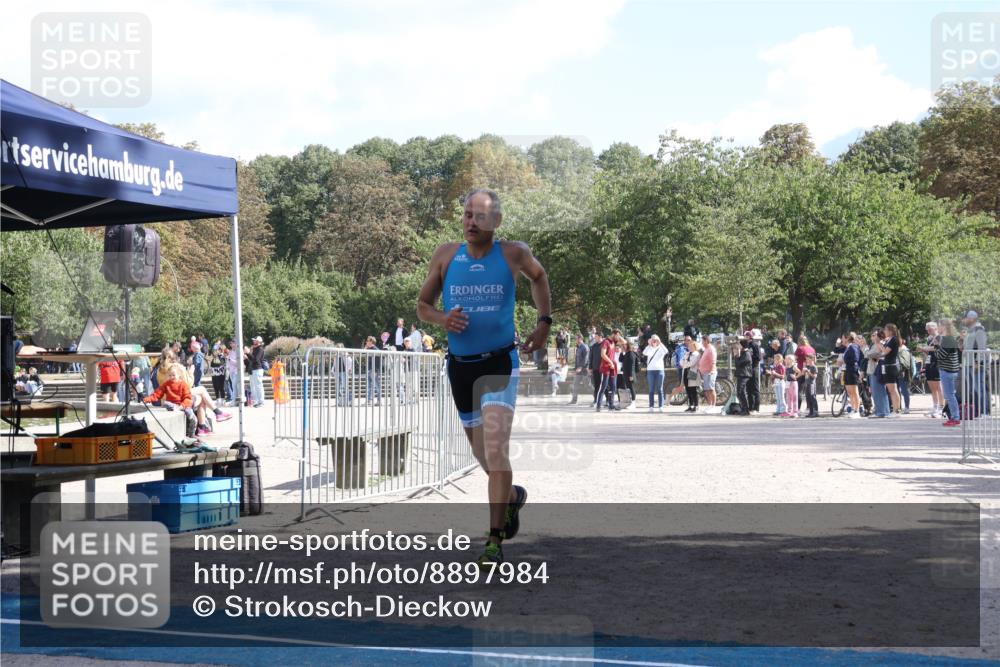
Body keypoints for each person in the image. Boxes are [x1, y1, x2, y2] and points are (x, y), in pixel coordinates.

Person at [416, 187, 551, 567]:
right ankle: (510, 498)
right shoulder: (446, 256)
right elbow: (423, 306)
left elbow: (538, 278)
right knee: (479, 453)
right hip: (461, 365)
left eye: (479, 215)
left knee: (494, 449)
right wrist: (443, 319)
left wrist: (543, 323)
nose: (470, 221)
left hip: (499, 362)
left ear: (496, 221)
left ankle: (494, 541)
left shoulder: (513, 254)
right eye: (466, 214)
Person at [144, 365, 196, 437]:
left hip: (182, 405)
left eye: (173, 375)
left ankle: (191, 434)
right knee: (166, 403)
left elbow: (187, 397)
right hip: (172, 404)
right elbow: (158, 393)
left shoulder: (183, 384)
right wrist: (148, 399)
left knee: (192, 417)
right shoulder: (167, 384)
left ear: (179, 375)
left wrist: (182, 406)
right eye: (170, 375)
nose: (171, 377)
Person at [935, 318, 962, 427]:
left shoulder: (947, 340)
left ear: (943, 327)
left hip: (947, 371)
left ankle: (955, 418)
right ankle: (954, 417)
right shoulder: (950, 339)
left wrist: (936, 347)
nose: (938, 328)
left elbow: (940, 356)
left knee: (950, 395)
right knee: (950, 395)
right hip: (951, 370)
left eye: (939, 326)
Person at [962, 310, 989, 416]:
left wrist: (978, 362)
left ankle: (984, 411)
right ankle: (978, 411)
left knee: (980, 388)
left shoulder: (979, 329)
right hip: (968, 363)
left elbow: (981, 347)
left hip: (975, 364)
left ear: (972, 318)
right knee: (974, 389)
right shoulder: (970, 331)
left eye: (966, 318)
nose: (964, 320)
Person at [918, 322, 944, 419]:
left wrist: (924, 348)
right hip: (929, 363)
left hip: (937, 363)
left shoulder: (940, 337)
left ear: (935, 328)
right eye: (927, 328)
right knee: (932, 387)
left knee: (939, 386)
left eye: (930, 328)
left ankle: (942, 407)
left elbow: (937, 348)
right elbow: (929, 351)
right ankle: (935, 406)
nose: (928, 330)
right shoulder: (929, 339)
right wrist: (923, 350)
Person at [596, 330, 622, 412]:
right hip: (606, 367)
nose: (618, 337)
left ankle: (611, 405)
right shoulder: (606, 342)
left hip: (612, 367)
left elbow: (624, 342)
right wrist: (610, 362)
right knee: (604, 386)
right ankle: (598, 405)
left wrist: (618, 336)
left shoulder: (614, 341)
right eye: (617, 335)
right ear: (613, 334)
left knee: (613, 387)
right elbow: (602, 354)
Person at [642, 334, 668, 412]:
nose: (654, 341)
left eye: (655, 340)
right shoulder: (649, 348)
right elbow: (644, 353)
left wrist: (660, 342)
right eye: (653, 340)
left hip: (660, 370)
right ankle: (651, 406)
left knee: (660, 389)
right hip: (650, 371)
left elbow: (666, 351)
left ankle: (661, 406)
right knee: (651, 389)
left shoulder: (660, 348)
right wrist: (649, 344)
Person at [842, 332, 864, 418]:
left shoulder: (853, 346)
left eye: (843, 338)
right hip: (847, 370)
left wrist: (847, 361)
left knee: (855, 392)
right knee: (850, 392)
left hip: (852, 370)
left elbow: (856, 358)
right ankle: (853, 408)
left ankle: (857, 410)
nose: (842, 340)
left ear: (847, 338)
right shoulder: (848, 347)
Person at [680, 337, 702, 412]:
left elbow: (692, 363)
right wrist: (684, 364)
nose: (689, 347)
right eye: (689, 346)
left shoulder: (697, 354)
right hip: (686, 372)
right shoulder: (687, 353)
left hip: (692, 372)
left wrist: (684, 364)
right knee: (688, 390)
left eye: (691, 346)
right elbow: (681, 361)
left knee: (693, 390)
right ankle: (691, 405)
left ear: (695, 347)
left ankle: (696, 405)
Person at [698, 333, 718, 413]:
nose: (702, 342)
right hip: (705, 372)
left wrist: (710, 371)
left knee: (711, 389)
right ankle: (710, 405)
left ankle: (713, 406)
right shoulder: (706, 348)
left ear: (706, 341)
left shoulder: (711, 349)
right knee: (706, 390)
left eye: (702, 341)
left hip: (710, 372)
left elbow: (713, 361)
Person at [732, 340, 752, 415]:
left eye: (740, 345)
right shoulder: (743, 353)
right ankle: (744, 409)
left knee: (740, 392)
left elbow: (739, 363)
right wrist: (737, 355)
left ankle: (745, 409)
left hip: (744, 375)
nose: (738, 347)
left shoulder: (747, 354)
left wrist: (737, 355)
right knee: (741, 392)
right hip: (741, 374)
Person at [569, 333, 589, 405]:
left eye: (577, 338)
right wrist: (575, 368)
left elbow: (585, 359)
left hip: (584, 370)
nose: (576, 340)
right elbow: (577, 359)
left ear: (581, 338)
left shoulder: (585, 347)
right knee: (575, 384)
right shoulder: (579, 347)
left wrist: (580, 367)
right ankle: (574, 400)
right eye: (575, 339)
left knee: (588, 386)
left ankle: (596, 398)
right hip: (578, 370)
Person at [745, 330, 762, 414]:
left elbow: (758, 357)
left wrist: (751, 360)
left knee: (755, 389)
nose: (746, 338)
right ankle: (750, 407)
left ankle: (756, 408)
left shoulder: (755, 345)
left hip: (753, 368)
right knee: (749, 389)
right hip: (747, 369)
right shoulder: (745, 345)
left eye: (747, 336)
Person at [896, 336, 915, 414]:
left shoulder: (904, 350)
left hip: (903, 374)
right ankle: (898, 407)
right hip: (899, 373)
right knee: (898, 391)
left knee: (904, 391)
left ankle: (907, 407)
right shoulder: (901, 350)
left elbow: (906, 364)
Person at [618, 341, 639, 410]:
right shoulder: (626, 353)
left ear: (628, 346)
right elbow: (620, 359)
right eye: (623, 345)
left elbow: (631, 366)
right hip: (626, 374)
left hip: (630, 374)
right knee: (629, 388)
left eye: (625, 345)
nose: (623, 346)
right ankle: (629, 402)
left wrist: (631, 375)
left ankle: (633, 403)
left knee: (631, 388)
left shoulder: (631, 354)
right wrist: (621, 352)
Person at [247, 336, 266, 407]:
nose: (253, 341)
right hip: (254, 369)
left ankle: (261, 402)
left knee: (258, 386)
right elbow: (252, 359)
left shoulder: (260, 349)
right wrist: (247, 355)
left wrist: (249, 353)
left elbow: (256, 360)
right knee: (255, 386)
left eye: (255, 340)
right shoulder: (255, 349)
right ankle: (257, 401)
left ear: (258, 341)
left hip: (258, 369)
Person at [364, 336, 383, 405]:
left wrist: (375, 371)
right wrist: (365, 349)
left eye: (367, 340)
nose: (366, 342)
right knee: (369, 386)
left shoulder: (376, 350)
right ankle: (369, 401)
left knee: (377, 386)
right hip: (369, 369)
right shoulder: (368, 349)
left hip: (374, 370)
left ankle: (379, 401)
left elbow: (378, 362)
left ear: (371, 342)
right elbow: (363, 354)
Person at [588, 332, 604, 407]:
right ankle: (595, 400)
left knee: (604, 385)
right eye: (595, 337)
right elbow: (591, 357)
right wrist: (590, 367)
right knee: (596, 384)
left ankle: (607, 400)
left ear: (601, 336)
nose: (595, 338)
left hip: (603, 368)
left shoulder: (604, 345)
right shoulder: (594, 346)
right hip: (595, 368)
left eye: (596, 337)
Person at [768, 350, 786, 415]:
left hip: (780, 382)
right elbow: (774, 375)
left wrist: (775, 373)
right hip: (776, 381)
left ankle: (783, 410)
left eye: (775, 359)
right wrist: (771, 374)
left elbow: (783, 376)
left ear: (779, 360)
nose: (774, 361)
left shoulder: (781, 366)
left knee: (781, 397)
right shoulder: (775, 367)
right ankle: (778, 410)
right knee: (777, 397)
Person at [802, 353, 820, 417]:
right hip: (807, 383)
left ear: (811, 359)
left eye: (808, 359)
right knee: (808, 398)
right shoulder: (807, 366)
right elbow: (803, 374)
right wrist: (804, 369)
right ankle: (811, 412)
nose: (806, 360)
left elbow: (815, 376)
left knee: (813, 397)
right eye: (806, 359)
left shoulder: (814, 367)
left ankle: (816, 412)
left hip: (811, 384)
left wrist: (808, 371)